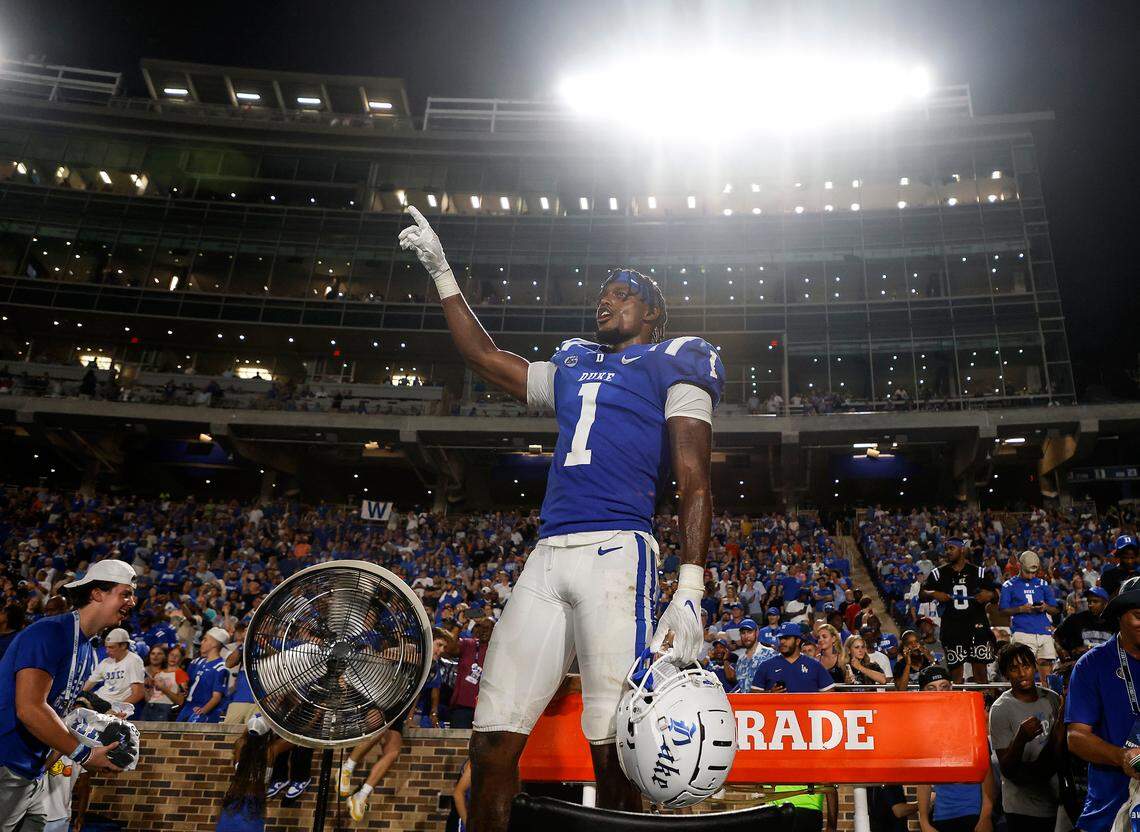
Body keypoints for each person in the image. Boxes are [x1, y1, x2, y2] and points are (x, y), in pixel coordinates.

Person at [400, 209, 724, 831]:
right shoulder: (573, 363)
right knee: (491, 739)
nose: (606, 302)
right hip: (548, 555)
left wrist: (691, 586)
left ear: (653, 314)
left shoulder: (676, 360)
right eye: (602, 295)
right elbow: (485, 357)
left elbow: (695, 477)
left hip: (617, 552)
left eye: (622, 294)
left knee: (614, 744)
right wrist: (442, 273)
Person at [0, 559, 136, 830]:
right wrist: (84, 754)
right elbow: (29, 709)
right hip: (7, 763)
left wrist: (90, 746)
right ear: (97, 593)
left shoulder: (87, 648)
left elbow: (55, 711)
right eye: (126, 593)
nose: (132, 602)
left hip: (32, 771)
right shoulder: (50, 632)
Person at [1066, 575, 1140, 831]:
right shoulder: (1092, 665)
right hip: (1108, 806)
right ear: (1119, 615)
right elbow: (1075, 737)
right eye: (1138, 615)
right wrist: (1121, 757)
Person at [988, 642, 1063, 830]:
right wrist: (1021, 738)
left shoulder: (1052, 698)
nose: (1022, 673)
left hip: (1057, 802)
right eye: (1014, 668)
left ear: (1034, 667)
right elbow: (1007, 769)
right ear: (1005, 673)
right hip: (1023, 809)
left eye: (1026, 666)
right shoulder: (1000, 709)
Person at [914, 665, 997, 832]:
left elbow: (986, 773)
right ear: (923, 692)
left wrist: (985, 816)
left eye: (944, 686)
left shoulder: (969, 722)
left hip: (973, 815)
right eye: (932, 688)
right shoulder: (925, 730)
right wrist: (923, 821)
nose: (939, 692)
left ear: (952, 687)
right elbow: (924, 780)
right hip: (942, 816)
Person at [921, 538, 998, 684]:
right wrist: (934, 593)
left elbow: (996, 595)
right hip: (952, 629)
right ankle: (957, 705)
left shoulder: (979, 572)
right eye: (947, 549)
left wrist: (990, 595)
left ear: (962, 549)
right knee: (956, 675)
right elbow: (921, 594)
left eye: (951, 548)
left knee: (981, 673)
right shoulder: (938, 573)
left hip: (977, 627)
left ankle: (984, 704)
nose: (948, 552)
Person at [998, 551, 1059, 686]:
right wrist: (1020, 609)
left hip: (1044, 631)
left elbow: (1055, 609)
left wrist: (1045, 607)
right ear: (1019, 566)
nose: (1031, 576)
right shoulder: (1009, 585)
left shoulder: (1043, 584)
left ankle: (1048, 700)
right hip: (1022, 632)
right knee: (1023, 670)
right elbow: (1002, 611)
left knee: (1047, 672)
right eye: (1028, 572)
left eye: (1034, 573)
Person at [344, 706, 412, 820]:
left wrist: (409, 717)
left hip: (397, 709)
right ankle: (347, 768)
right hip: (375, 702)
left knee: (393, 752)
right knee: (378, 726)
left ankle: (361, 795)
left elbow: (414, 694)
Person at [214, 712, 272, 831]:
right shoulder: (271, 751)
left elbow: (248, 733)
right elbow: (294, 739)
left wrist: (253, 723)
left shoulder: (240, 744)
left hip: (233, 803)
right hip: (252, 807)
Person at [753, 622, 836, 693]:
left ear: (797, 641)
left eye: (787, 638)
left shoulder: (814, 665)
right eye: (780, 638)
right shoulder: (766, 666)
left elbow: (829, 693)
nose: (782, 641)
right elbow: (753, 695)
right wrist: (769, 694)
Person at [82, 627, 146, 718]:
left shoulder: (134, 660)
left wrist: (117, 709)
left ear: (123, 646)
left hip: (113, 706)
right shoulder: (106, 662)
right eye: (106, 647)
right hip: (99, 701)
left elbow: (138, 693)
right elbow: (88, 685)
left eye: (111, 647)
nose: (107, 651)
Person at [177, 626, 230, 723]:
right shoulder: (196, 662)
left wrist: (202, 711)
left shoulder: (220, 667)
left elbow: (216, 697)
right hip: (187, 707)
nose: (201, 642)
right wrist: (183, 685)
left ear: (214, 644)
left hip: (204, 711)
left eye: (205, 640)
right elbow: (186, 681)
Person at [1054, 587, 1111, 669]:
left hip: (1106, 666)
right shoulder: (1076, 619)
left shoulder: (1114, 622)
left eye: (1095, 601)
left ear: (1105, 603)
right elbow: (1056, 636)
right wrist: (1063, 653)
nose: (1090, 605)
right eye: (1089, 601)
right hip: (1080, 665)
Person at [140, 644, 183, 721]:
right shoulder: (156, 674)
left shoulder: (180, 674)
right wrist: (146, 688)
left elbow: (180, 701)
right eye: (153, 653)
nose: (155, 656)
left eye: (159, 653)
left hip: (165, 710)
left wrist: (163, 688)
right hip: (148, 708)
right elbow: (149, 699)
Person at [732, 618, 775, 693]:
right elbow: (741, 685)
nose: (746, 636)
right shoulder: (741, 659)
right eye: (743, 633)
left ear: (757, 632)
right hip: (744, 703)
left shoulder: (770, 654)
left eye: (749, 632)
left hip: (765, 702)